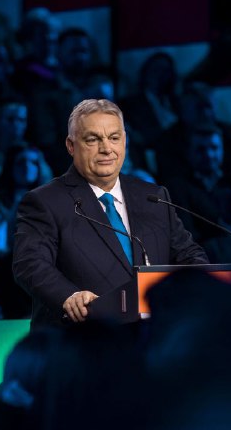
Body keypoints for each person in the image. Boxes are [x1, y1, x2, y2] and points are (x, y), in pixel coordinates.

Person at [12, 99, 208, 329]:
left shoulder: (153, 197)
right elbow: (30, 263)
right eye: (93, 140)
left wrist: (200, 281)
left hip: (151, 338)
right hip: (82, 338)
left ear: (124, 141)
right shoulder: (45, 201)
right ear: (71, 146)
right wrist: (69, 296)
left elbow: (189, 254)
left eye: (114, 138)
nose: (106, 149)